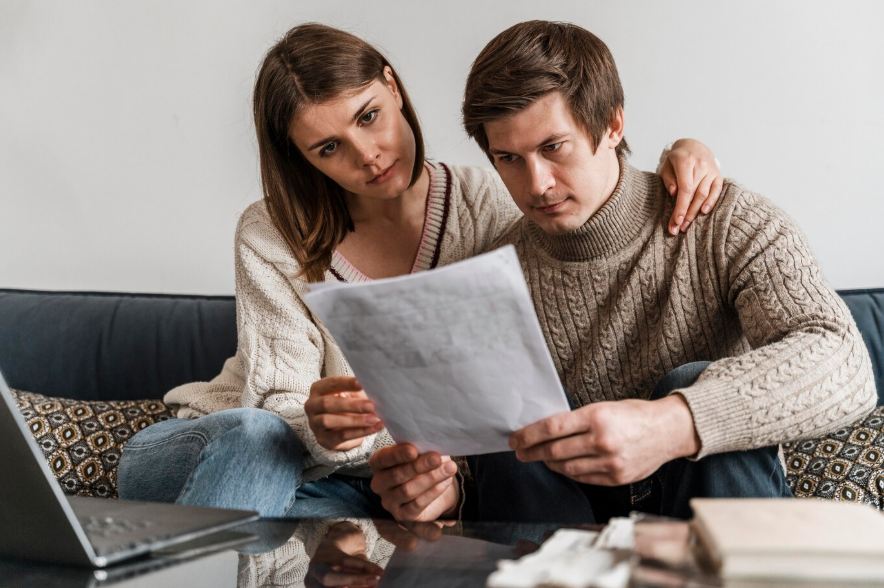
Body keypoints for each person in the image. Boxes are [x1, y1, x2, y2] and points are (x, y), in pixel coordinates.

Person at [117, 22, 724, 518]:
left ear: (393, 85)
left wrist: (676, 154)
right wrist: (323, 426)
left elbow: (591, 214)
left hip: (356, 494)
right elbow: (275, 404)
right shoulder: (270, 232)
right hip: (224, 445)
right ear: (301, 159)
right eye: (328, 148)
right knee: (259, 441)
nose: (367, 154)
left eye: (368, 116)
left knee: (362, 537)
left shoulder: (491, 205)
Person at [368, 20, 877, 524]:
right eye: (509, 158)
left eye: (553, 147)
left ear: (613, 124)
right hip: (565, 542)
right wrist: (444, 493)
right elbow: (478, 464)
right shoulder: (489, 274)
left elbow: (846, 365)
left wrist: (674, 423)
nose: (537, 183)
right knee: (524, 413)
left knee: (694, 379)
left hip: (720, 523)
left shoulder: (725, 220)